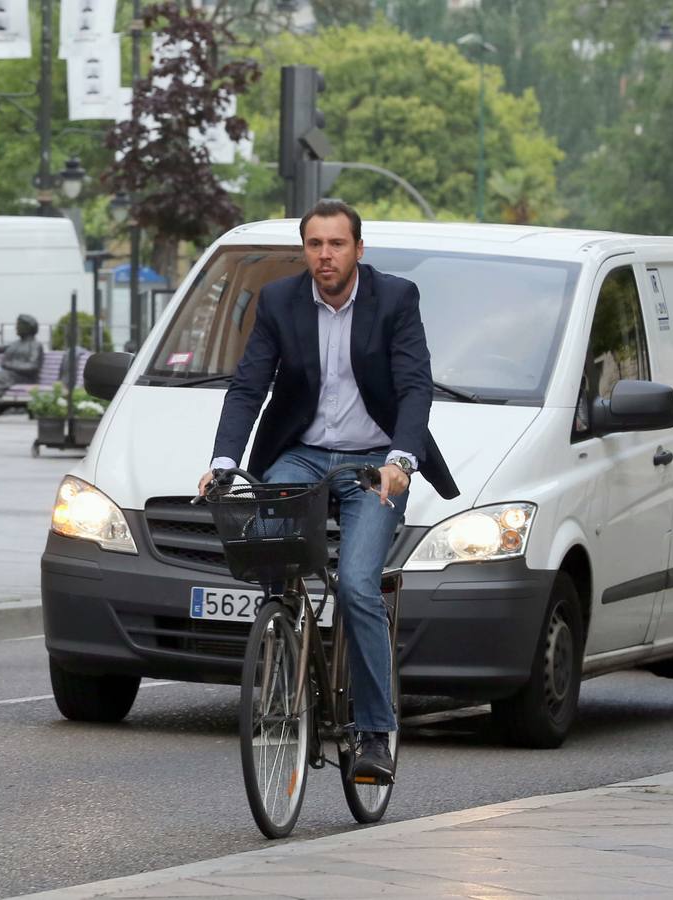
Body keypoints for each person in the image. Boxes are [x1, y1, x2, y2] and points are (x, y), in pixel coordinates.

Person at [199, 199, 460, 785]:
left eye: (336, 244)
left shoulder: (395, 299)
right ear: (305, 251)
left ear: (358, 250)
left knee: (360, 585)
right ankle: (287, 647)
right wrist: (223, 462)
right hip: (301, 454)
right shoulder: (279, 301)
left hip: (375, 462)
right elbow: (247, 387)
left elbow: (416, 388)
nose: (325, 255)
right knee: (271, 551)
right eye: (315, 245)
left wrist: (401, 458)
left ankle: (372, 731)